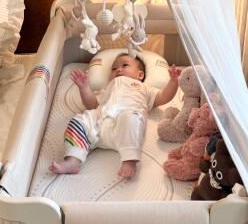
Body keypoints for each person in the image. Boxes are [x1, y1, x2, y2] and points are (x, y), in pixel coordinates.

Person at [50, 53, 181, 178]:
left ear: (140, 74)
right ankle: (73, 160)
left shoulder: (144, 88)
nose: (118, 69)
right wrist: (84, 88)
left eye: (125, 65)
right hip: (100, 122)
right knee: (79, 120)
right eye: (114, 68)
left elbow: (164, 97)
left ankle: (129, 160)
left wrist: (174, 82)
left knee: (132, 118)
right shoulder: (107, 89)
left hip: (124, 127)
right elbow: (92, 105)